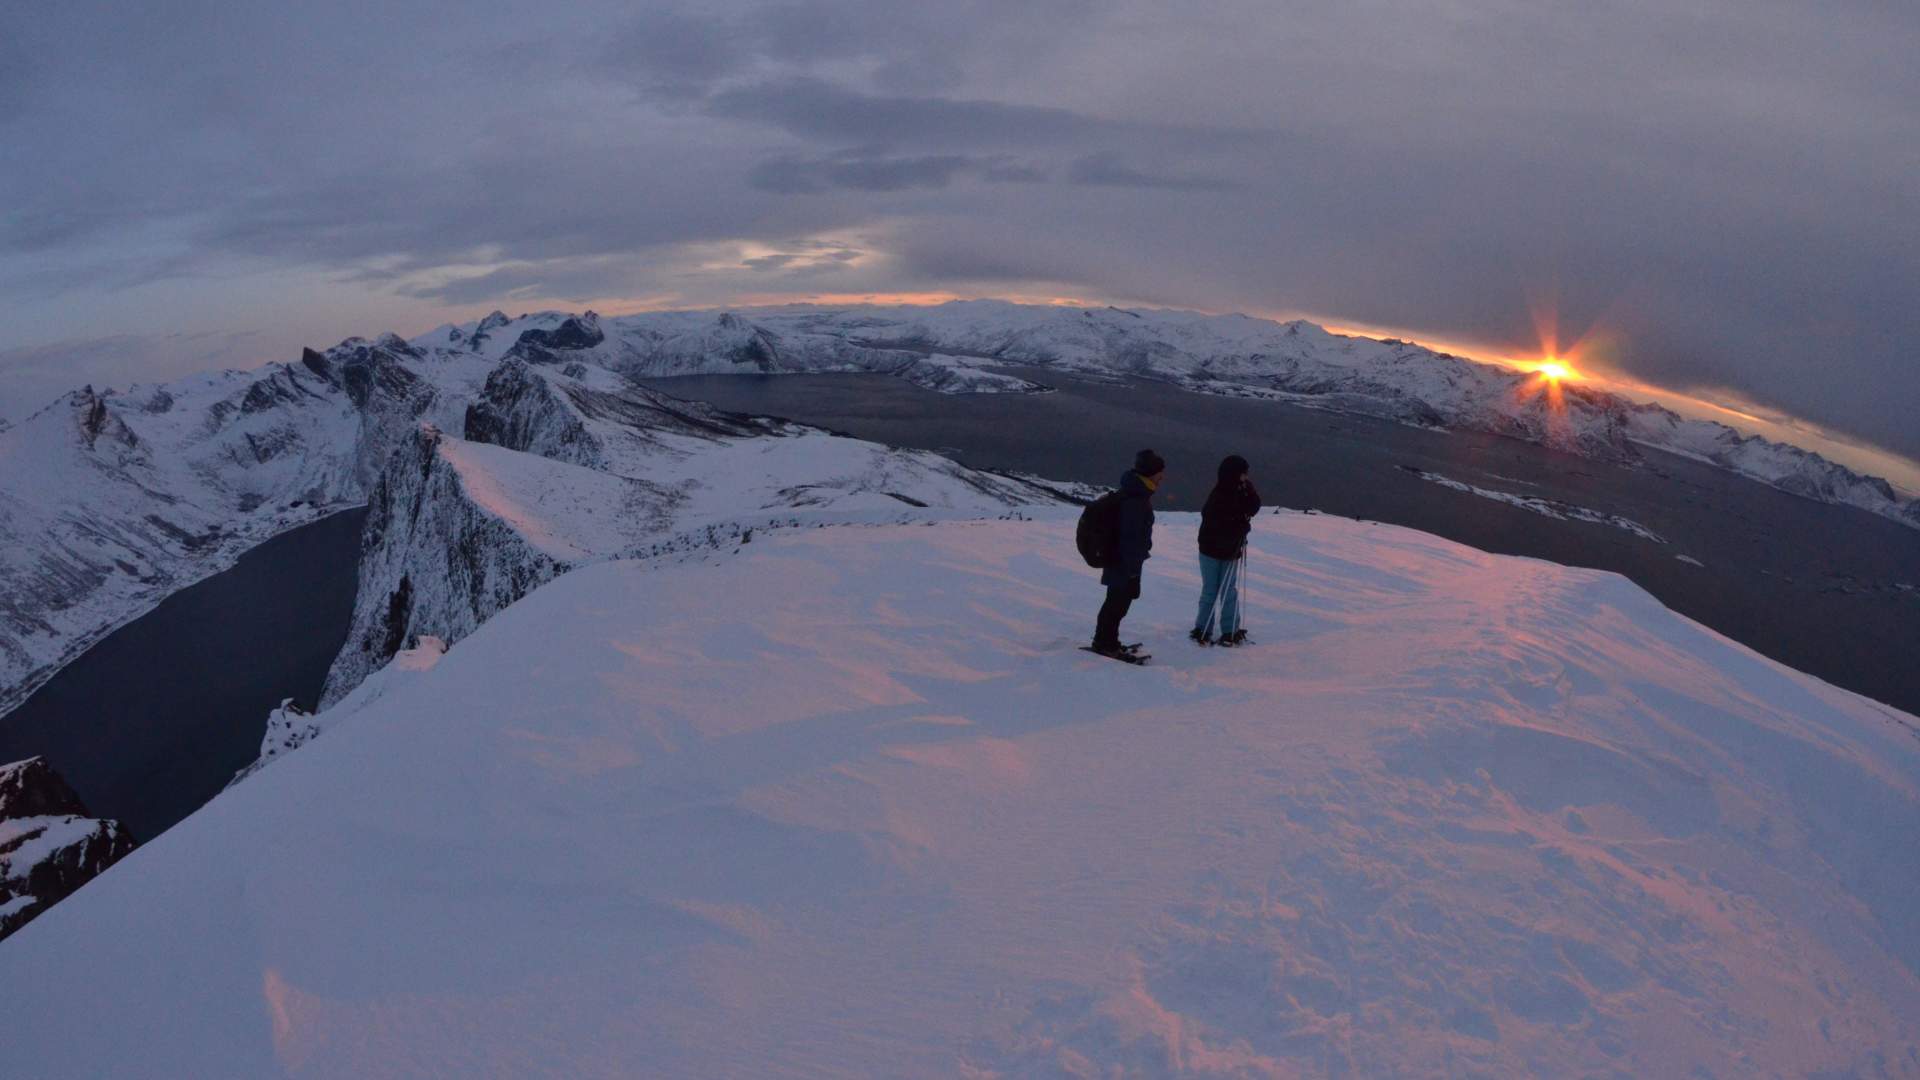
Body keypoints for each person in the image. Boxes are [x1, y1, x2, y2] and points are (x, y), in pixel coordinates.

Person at [1092, 449, 1165, 656]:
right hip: (1123, 562)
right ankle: (1105, 643)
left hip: (1122, 561)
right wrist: (1132, 573)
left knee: (1117, 602)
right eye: (1160, 472)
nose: (1163, 476)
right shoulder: (1136, 500)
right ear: (1151, 473)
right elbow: (1130, 539)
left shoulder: (1136, 492)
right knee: (1117, 604)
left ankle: (1107, 640)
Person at [1191, 454, 1260, 646]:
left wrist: (1249, 490)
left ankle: (1206, 628)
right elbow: (1226, 522)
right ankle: (1224, 630)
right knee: (1221, 590)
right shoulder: (1223, 495)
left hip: (1218, 549)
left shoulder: (1236, 490)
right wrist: (1241, 527)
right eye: (1244, 474)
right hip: (1219, 550)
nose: (1246, 477)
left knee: (1215, 590)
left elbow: (1254, 507)